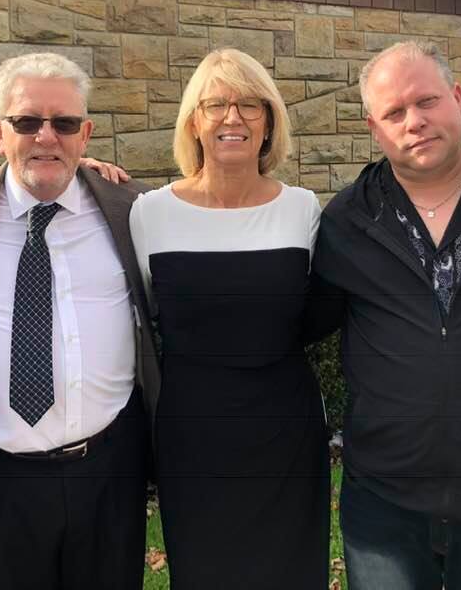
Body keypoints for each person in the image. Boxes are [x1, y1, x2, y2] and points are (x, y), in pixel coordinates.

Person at [310, 40, 461, 589]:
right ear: (374, 128)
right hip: (385, 499)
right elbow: (304, 320)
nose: (414, 121)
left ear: (458, 98)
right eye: (394, 113)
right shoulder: (349, 219)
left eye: (426, 101)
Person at [0, 52, 159, 590]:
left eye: (64, 123)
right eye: (27, 122)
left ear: (85, 134)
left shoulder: (133, 207)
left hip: (109, 473)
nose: (46, 137)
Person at [128, 48, 330, 588]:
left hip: (285, 430)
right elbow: (146, 310)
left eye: (249, 105)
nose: (232, 117)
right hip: (193, 432)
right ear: (194, 122)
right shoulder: (151, 213)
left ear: (269, 122)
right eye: (215, 104)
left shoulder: (302, 209)